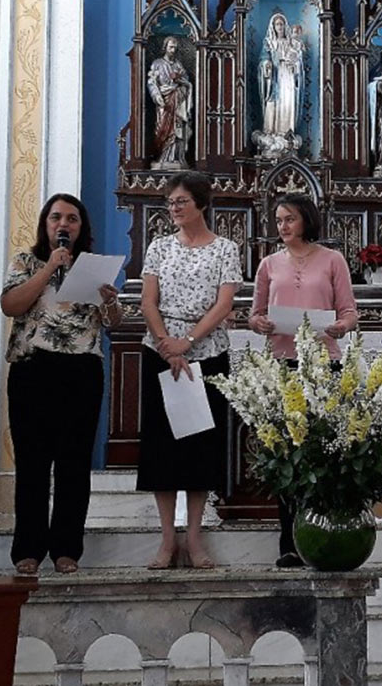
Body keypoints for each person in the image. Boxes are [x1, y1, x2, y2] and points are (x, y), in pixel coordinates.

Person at [0, 193, 122, 575]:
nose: (63, 224)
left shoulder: (93, 267)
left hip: (81, 371)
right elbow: (11, 305)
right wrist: (50, 267)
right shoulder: (26, 261)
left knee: (74, 463)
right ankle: (29, 549)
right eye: (56, 218)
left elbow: (113, 323)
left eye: (72, 218)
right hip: (33, 370)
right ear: (45, 224)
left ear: (81, 226)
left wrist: (110, 301)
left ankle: (67, 549)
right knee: (32, 463)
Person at [138, 171, 243, 569]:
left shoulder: (225, 249)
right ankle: (167, 540)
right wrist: (168, 344)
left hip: (207, 351)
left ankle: (195, 538)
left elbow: (224, 304)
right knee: (162, 448)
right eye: (170, 202)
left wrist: (189, 341)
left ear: (201, 203)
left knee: (200, 448)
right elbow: (148, 301)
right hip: (161, 350)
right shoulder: (159, 247)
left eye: (181, 201)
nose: (174, 208)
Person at [248, 193, 359, 566]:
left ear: (306, 220)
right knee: (287, 451)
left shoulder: (332, 260)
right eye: (279, 220)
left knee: (322, 449)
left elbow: (349, 310)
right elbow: (254, 314)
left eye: (289, 219)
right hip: (283, 362)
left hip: (323, 363)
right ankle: (290, 540)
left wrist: (340, 326)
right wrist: (261, 323)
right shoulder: (268, 264)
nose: (282, 226)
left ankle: (322, 534)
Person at [148, 35, 192, 169]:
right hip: (164, 103)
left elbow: (187, 83)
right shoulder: (157, 64)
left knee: (178, 129)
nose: (173, 50)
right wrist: (157, 96)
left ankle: (176, 157)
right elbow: (152, 82)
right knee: (162, 128)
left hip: (178, 102)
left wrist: (180, 81)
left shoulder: (178, 65)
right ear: (165, 47)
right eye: (171, 47)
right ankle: (162, 157)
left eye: (175, 48)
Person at [260, 13, 302, 137]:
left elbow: (298, 60)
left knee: (287, 100)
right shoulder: (269, 42)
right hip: (275, 75)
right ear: (273, 26)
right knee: (273, 101)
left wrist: (295, 65)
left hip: (288, 75)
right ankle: (271, 131)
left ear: (285, 26)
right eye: (277, 24)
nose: (279, 27)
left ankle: (285, 132)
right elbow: (264, 58)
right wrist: (267, 64)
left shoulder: (291, 42)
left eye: (281, 24)